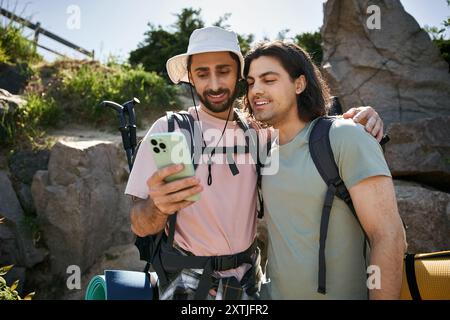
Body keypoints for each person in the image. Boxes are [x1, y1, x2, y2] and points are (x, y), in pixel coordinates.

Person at [125, 26, 384, 300]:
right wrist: (157, 207)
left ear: (238, 73)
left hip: (250, 283)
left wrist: (359, 117)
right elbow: (139, 224)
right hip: (188, 283)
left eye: (223, 71)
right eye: (202, 73)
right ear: (190, 76)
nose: (214, 84)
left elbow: (304, 125)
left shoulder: (259, 131)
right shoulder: (167, 130)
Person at [243, 40, 407, 300]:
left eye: (269, 80)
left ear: (299, 84)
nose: (256, 91)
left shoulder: (345, 136)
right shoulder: (261, 150)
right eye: (251, 82)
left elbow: (388, 235)